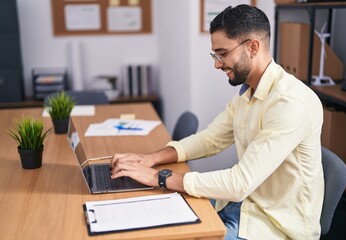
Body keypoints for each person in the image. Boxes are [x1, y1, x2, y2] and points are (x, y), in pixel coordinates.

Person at [111, 4, 324, 240]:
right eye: (215, 55)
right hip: (242, 205)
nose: (217, 63)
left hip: (273, 226)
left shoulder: (289, 103)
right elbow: (210, 139)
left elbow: (239, 183)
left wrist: (158, 177)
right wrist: (150, 159)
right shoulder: (247, 93)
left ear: (253, 47)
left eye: (222, 53)